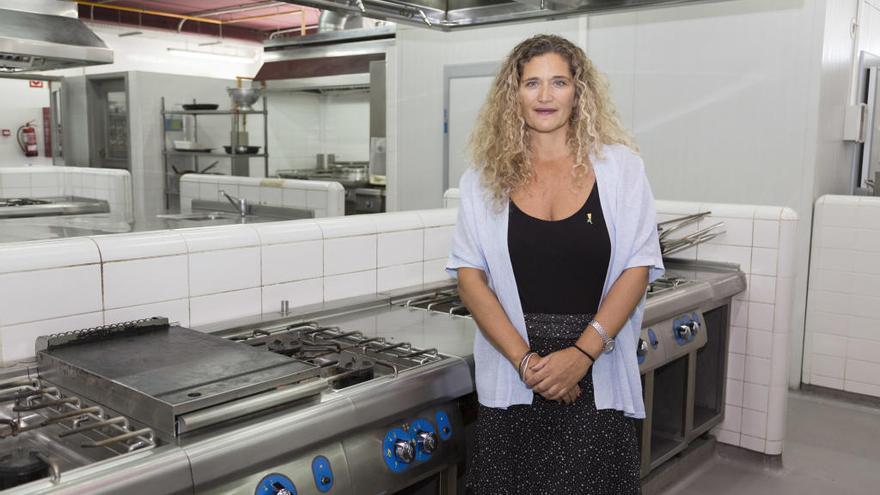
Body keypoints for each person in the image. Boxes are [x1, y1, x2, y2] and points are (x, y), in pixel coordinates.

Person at [445, 34, 664, 494]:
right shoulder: (481, 181)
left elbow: (638, 267)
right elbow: (470, 277)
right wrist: (527, 362)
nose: (545, 96)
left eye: (559, 82)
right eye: (532, 83)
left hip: (596, 374)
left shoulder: (622, 170)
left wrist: (581, 355)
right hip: (515, 373)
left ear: (578, 91)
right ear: (514, 95)